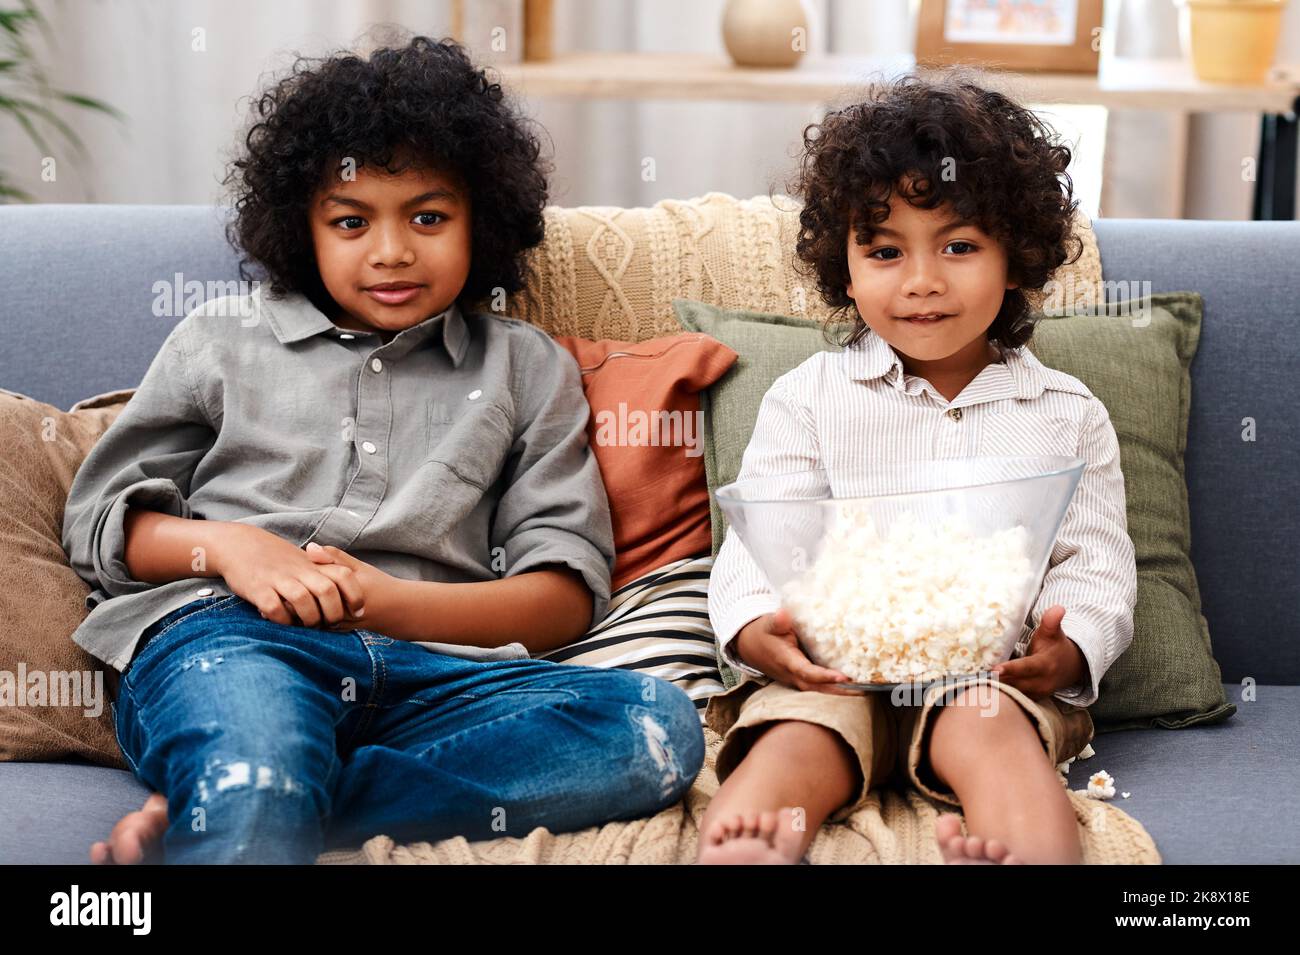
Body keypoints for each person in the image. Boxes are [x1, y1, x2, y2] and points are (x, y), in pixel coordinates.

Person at [62, 35, 704, 865]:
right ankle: (253, 789)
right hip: (233, 640)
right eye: (352, 221)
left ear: (484, 218)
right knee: (259, 758)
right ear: (305, 226)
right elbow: (98, 523)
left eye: (428, 217)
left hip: (437, 676)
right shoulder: (220, 338)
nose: (392, 251)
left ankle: (247, 803)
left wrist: (381, 601)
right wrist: (232, 549)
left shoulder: (524, 365)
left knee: (651, 726)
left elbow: (561, 597)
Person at [697, 70, 1137, 865]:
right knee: (797, 734)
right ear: (846, 262)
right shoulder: (808, 399)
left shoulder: (1066, 413)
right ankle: (751, 845)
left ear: (1017, 256)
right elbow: (758, 539)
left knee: (992, 734)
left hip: (988, 676)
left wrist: (1067, 651)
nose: (923, 281)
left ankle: (1025, 854)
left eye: (959, 246)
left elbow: (1098, 567)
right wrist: (759, 629)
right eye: (885, 250)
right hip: (831, 671)